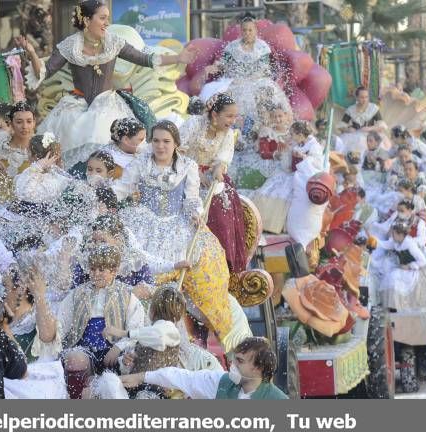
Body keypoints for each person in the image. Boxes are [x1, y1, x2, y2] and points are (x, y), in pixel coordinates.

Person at [16, 0, 197, 168]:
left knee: (106, 137)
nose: (106, 23)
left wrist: (178, 57)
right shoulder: (69, 45)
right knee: (67, 144)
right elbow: (44, 71)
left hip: (107, 105)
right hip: (75, 106)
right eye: (102, 18)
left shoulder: (113, 42)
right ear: (87, 20)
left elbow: (146, 59)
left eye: (107, 18)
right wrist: (32, 53)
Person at [116, 121, 236, 350]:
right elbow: (123, 189)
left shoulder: (187, 166)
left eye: (166, 141)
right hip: (144, 223)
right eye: (156, 141)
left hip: (177, 223)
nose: (160, 146)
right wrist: (104, 197)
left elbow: (191, 200)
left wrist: (196, 214)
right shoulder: (140, 164)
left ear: (175, 144)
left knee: (205, 260)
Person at [29, 245, 145, 399]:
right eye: (93, 269)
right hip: (84, 348)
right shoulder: (78, 293)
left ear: (114, 271)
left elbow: (136, 329)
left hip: (115, 352)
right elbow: (61, 324)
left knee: (125, 365)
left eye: (101, 269)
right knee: (74, 358)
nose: (96, 273)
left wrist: (118, 347)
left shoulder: (127, 295)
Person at [178, 94, 247, 273]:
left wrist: (219, 168)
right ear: (215, 114)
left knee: (220, 207)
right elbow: (178, 150)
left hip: (211, 178)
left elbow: (223, 158)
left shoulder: (228, 133)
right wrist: (197, 175)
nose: (233, 121)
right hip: (185, 173)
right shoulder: (194, 123)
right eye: (229, 116)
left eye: (235, 116)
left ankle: (219, 263)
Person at [200, 12, 290, 134]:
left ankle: (264, 131)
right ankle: (234, 133)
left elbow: (263, 69)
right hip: (238, 82)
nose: (247, 33)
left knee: (265, 94)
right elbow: (223, 64)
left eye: (250, 30)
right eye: (244, 30)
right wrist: (213, 67)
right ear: (241, 31)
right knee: (224, 97)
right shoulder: (232, 47)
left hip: (258, 81)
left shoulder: (262, 47)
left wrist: (249, 78)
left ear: (255, 30)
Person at [120, 337, 288, 399]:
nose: (233, 365)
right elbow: (180, 377)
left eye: (240, 361)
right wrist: (140, 377)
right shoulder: (221, 382)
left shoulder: (278, 401)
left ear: (258, 369)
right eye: (234, 359)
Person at [252, 121, 323, 235]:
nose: (291, 136)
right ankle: (262, 221)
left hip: (302, 175)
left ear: (300, 135)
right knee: (272, 187)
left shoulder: (314, 146)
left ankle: (276, 225)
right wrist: (287, 156)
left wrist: (304, 157)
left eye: (293, 134)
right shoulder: (296, 143)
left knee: (286, 192)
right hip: (290, 172)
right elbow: (287, 162)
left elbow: (317, 164)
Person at [14, 133, 72, 204]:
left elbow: (25, 194)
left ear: (35, 156)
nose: (26, 153)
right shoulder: (34, 172)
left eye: (28, 151)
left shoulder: (47, 178)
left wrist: (38, 167)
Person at [336, 86, 387, 155]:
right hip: (355, 136)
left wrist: (369, 128)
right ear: (357, 98)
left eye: (366, 97)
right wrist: (348, 129)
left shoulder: (373, 108)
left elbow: (382, 126)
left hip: (371, 135)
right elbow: (341, 126)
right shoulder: (351, 109)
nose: (365, 99)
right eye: (362, 97)